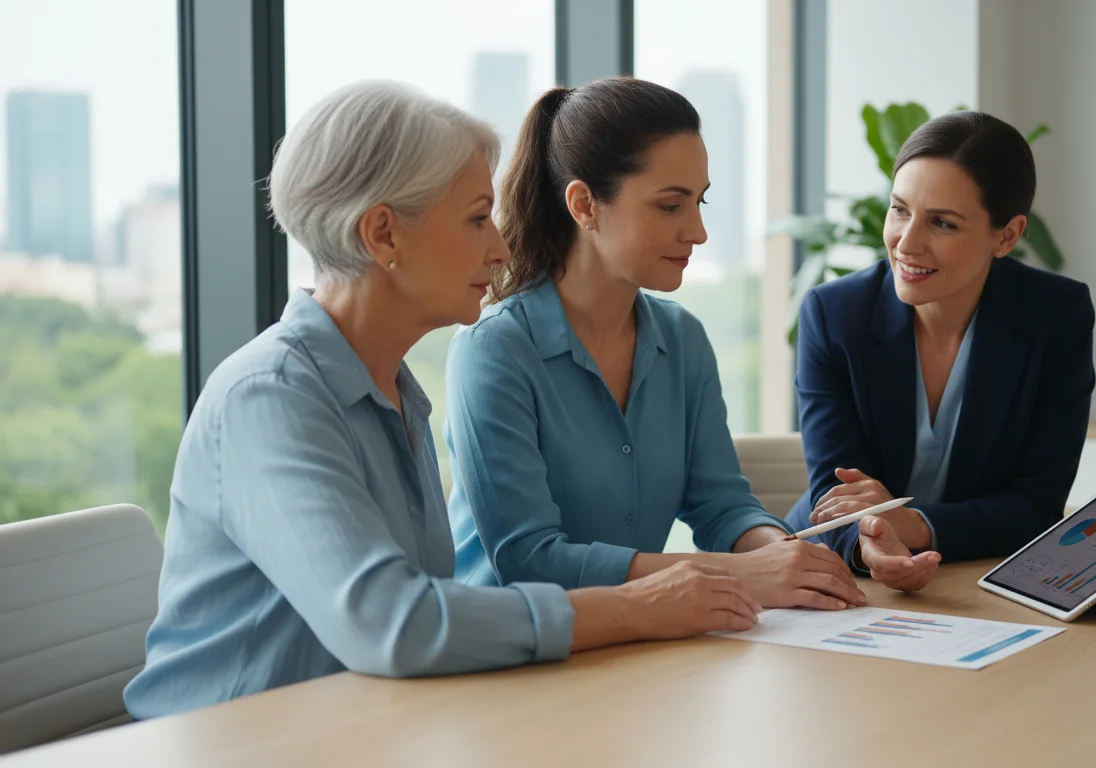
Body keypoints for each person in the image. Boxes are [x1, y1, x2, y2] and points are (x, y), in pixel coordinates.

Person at [123, 81, 763, 720]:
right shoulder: (268, 398)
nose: (502, 247)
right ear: (384, 235)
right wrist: (638, 605)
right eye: (477, 218)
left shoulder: (395, 393)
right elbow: (393, 622)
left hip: (356, 734)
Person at [443, 77, 866, 611]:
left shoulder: (681, 338)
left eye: (700, 202)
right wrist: (741, 574)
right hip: (508, 661)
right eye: (670, 206)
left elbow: (721, 506)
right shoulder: (494, 350)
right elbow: (530, 557)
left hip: (632, 641)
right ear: (584, 205)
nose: (699, 231)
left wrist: (789, 561)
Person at [784, 111, 1096, 593]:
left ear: (1007, 236)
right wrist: (874, 537)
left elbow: (1036, 505)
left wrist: (914, 526)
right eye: (899, 210)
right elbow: (836, 494)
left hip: (974, 576)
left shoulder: (1055, 317)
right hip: (837, 563)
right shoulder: (833, 313)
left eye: (943, 223)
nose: (906, 244)